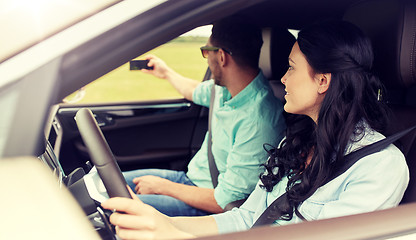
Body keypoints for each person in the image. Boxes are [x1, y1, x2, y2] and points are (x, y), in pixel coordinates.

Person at [103, 20, 409, 239]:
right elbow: (246, 218)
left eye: (291, 67)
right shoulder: (297, 141)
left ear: (322, 80)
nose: (283, 79)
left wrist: (175, 235)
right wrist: (163, 222)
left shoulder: (381, 167)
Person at [122, 16, 286, 217]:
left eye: (206, 51)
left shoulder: (260, 121)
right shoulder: (226, 90)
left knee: (116, 208)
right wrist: (165, 73)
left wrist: (163, 186)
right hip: (190, 180)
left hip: (208, 204)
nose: (206, 57)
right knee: (109, 183)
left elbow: (225, 202)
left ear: (222, 57)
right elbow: (194, 90)